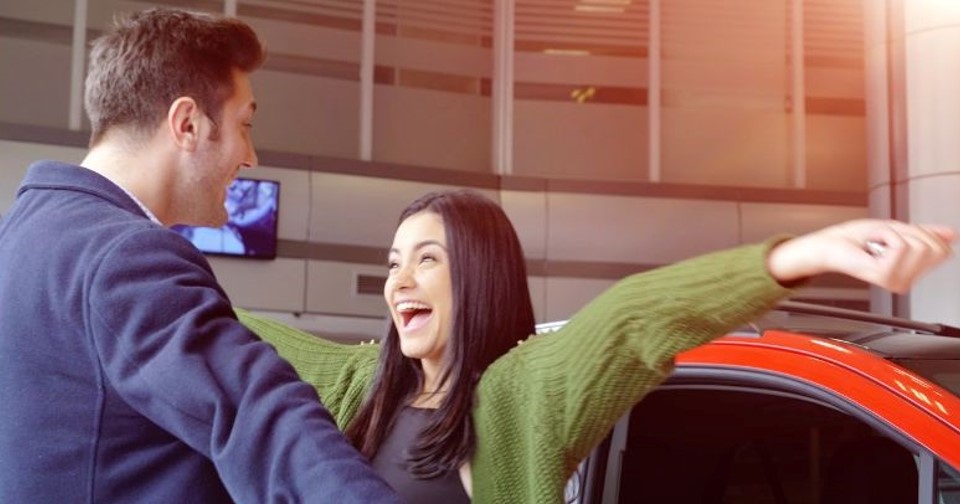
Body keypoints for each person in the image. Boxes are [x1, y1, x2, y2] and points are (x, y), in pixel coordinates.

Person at [238, 189, 955, 503]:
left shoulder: (520, 394)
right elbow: (223, 328)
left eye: (427, 258)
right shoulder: (362, 383)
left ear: (480, 274)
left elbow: (630, 319)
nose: (401, 280)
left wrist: (802, 253)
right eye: (394, 261)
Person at [0, 8, 400, 503]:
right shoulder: (125, 256)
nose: (251, 156)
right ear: (188, 123)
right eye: (244, 124)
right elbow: (257, 413)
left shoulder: (16, 237)